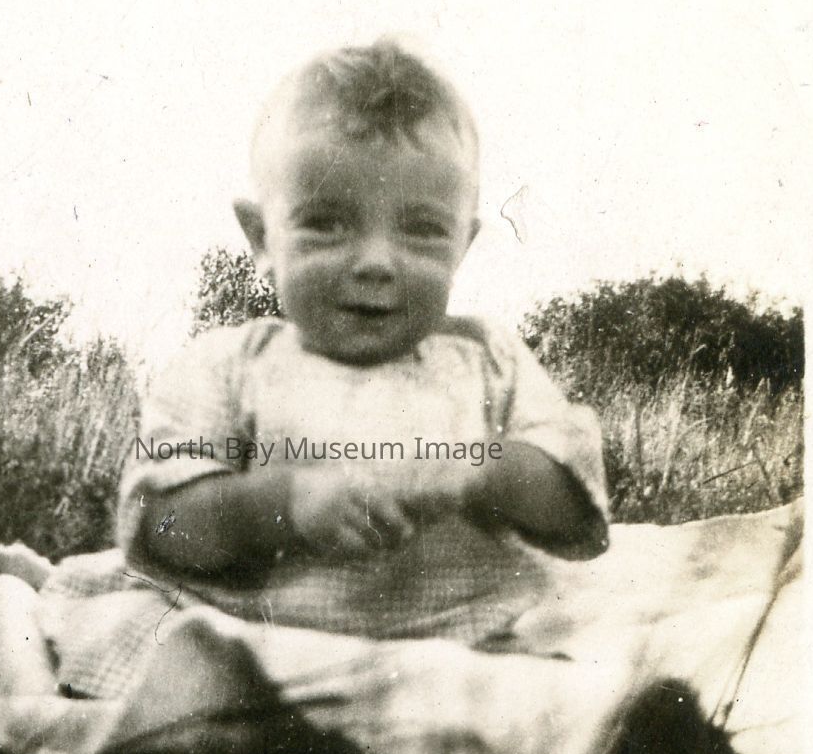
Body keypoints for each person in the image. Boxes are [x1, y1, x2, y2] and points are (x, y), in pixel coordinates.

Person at [115, 39, 609, 652]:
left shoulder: (488, 361)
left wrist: (480, 470)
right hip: (257, 643)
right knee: (164, 652)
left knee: (558, 685)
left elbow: (573, 505)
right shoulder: (226, 367)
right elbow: (161, 523)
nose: (376, 262)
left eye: (422, 230)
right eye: (325, 222)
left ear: (462, 245)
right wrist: (282, 504)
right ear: (262, 237)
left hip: (464, 641)